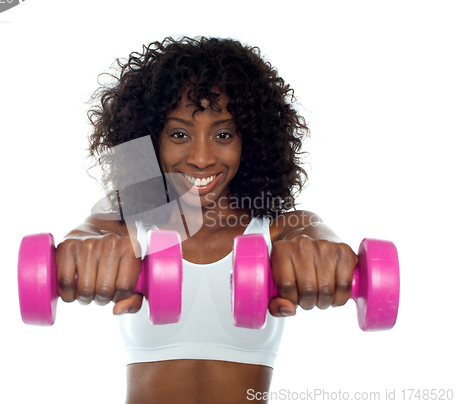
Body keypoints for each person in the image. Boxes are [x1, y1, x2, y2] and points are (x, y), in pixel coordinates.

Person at [56, 36, 358, 403]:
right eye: (180, 134)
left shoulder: (277, 230)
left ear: (252, 140)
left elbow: (315, 234)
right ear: (151, 139)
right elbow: (89, 232)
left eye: (223, 134)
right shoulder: (130, 229)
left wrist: (321, 253)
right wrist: (83, 250)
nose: (201, 158)